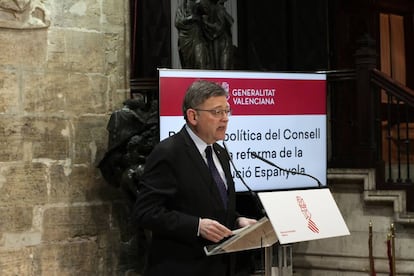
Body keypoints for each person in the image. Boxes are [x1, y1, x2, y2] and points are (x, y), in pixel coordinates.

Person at [132, 80, 256, 276]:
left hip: (220, 267)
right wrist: (196, 226)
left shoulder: (220, 152)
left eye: (227, 111)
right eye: (217, 112)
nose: (225, 119)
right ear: (193, 116)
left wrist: (237, 220)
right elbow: (146, 212)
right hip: (181, 266)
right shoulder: (169, 152)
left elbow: (211, 204)